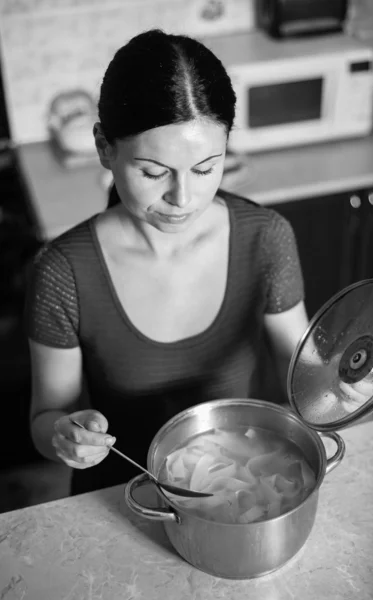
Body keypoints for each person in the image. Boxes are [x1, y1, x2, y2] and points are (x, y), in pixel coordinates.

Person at [26, 29, 308, 495]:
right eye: (153, 172)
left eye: (205, 169)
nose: (183, 198)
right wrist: (65, 435)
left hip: (243, 492)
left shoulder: (265, 238)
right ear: (104, 148)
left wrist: (336, 387)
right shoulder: (63, 272)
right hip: (121, 500)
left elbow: (301, 372)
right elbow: (44, 420)